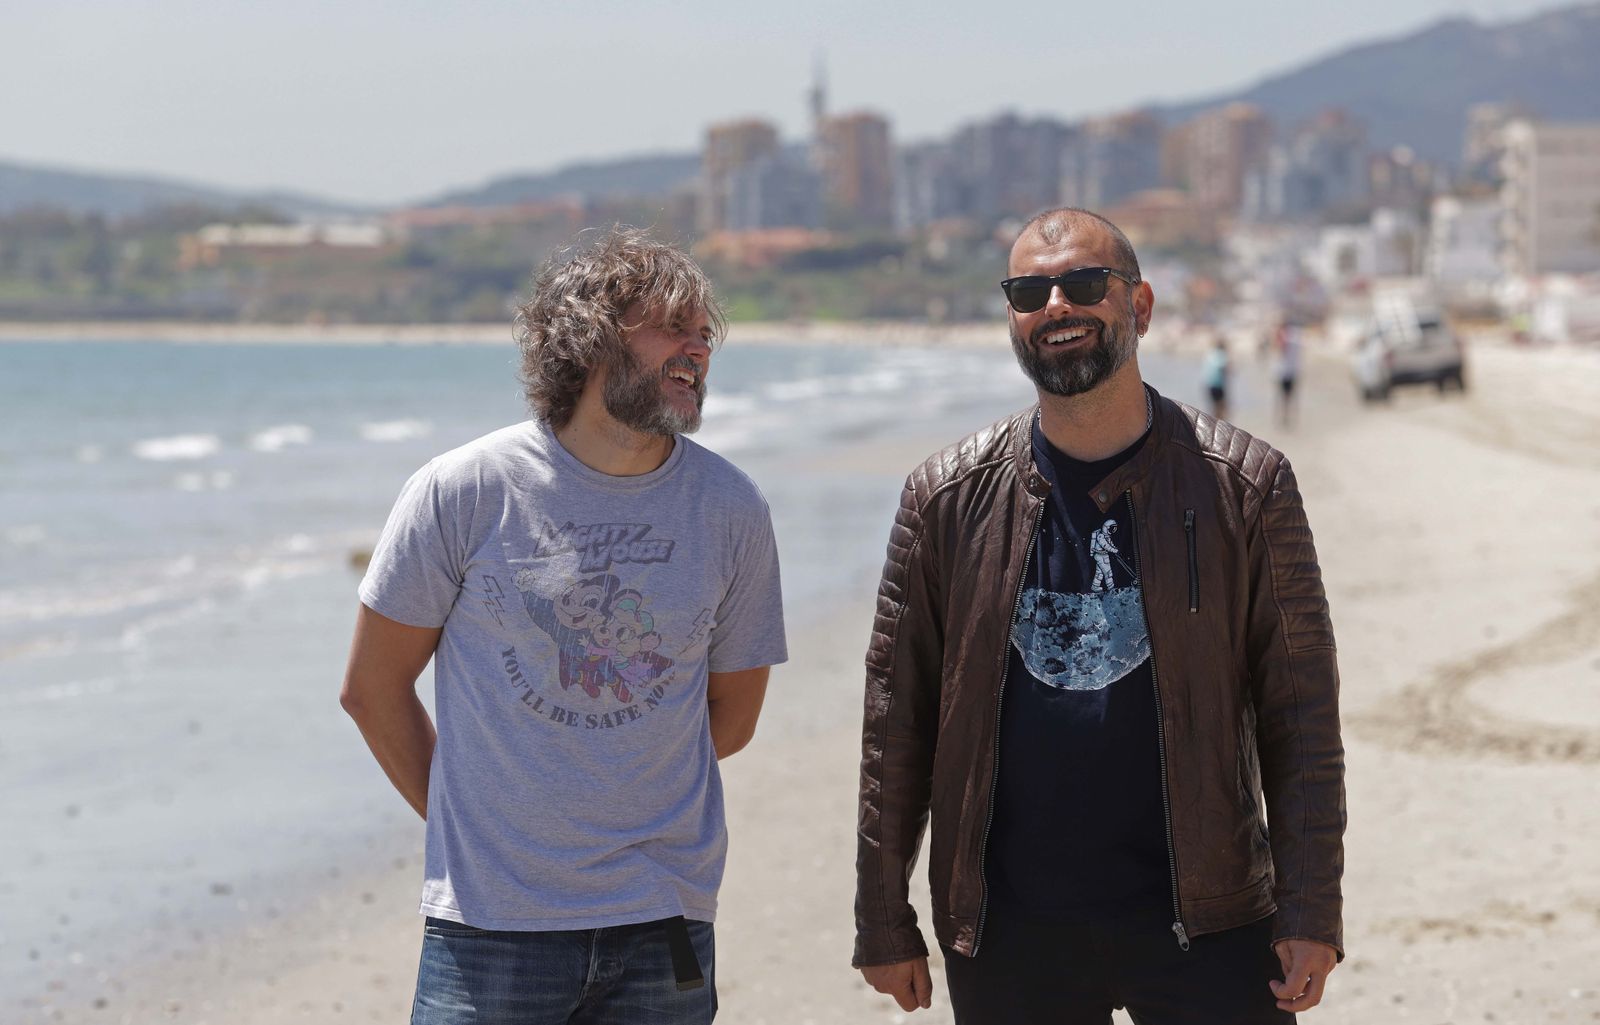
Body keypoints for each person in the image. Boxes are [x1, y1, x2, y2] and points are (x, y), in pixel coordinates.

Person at [853, 208, 1344, 1024]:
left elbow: (1301, 712)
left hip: (1211, 915)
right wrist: (882, 913)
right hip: (1009, 930)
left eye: (1084, 284)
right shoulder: (943, 499)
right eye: (1029, 291)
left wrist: (1310, 905)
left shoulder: (1246, 486)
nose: (1056, 306)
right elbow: (894, 719)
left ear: (1139, 306)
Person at [342, 226, 787, 1025]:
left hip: (664, 921)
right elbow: (372, 689)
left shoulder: (731, 508)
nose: (697, 349)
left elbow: (732, 718)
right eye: (671, 328)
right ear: (589, 340)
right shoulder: (464, 490)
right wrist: (474, 824)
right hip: (490, 928)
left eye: (703, 333)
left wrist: (596, 771)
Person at [1274, 319, 1302, 428]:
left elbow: (1281, 348)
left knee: (1284, 396)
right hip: (1292, 371)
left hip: (1285, 372)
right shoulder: (1295, 337)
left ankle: (1285, 417)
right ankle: (1288, 417)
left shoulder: (1287, 338)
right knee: (1289, 396)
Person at [1202, 334, 1230, 420]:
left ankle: (1213, 422)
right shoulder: (1222, 354)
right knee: (1221, 407)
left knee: (1214, 407)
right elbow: (1224, 368)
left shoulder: (1210, 354)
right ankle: (1220, 424)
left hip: (1209, 384)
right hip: (1218, 385)